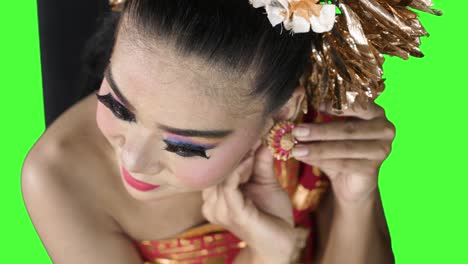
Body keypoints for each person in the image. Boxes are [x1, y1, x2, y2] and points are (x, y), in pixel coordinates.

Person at [21, 0, 409, 263]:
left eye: (183, 146)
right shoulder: (58, 177)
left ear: (285, 110)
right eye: (117, 106)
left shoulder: (320, 122)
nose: (134, 160)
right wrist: (266, 256)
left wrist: (355, 198)